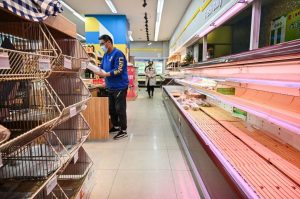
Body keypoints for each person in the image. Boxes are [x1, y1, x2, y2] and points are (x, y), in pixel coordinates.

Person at [96, 35, 129, 140]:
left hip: (120, 86)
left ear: (109, 42)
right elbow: (101, 68)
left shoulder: (118, 54)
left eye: (102, 43)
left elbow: (119, 70)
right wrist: (97, 71)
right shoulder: (105, 55)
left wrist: (106, 74)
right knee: (111, 109)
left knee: (120, 109)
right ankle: (116, 126)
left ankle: (123, 130)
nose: (101, 46)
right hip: (110, 86)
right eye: (100, 44)